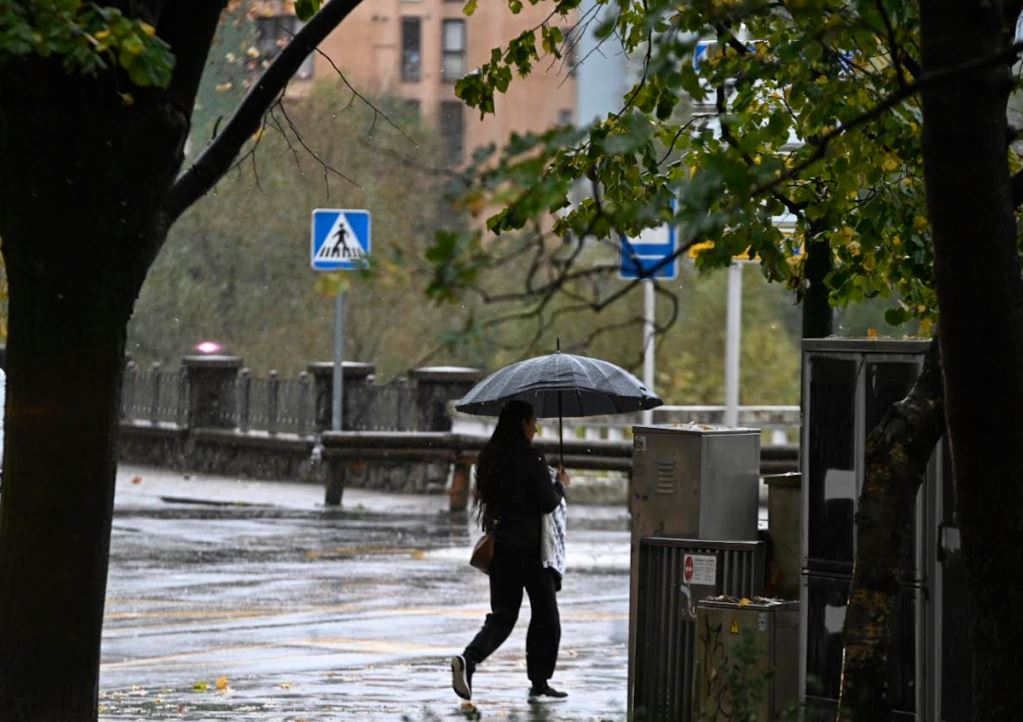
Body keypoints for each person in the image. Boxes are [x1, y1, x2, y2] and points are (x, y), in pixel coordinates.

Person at [451, 399, 571, 702]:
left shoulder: (489, 456)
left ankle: (469, 659)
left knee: (503, 616)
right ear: (521, 423)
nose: (535, 428)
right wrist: (560, 485)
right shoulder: (531, 457)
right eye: (533, 422)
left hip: (502, 547)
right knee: (546, 617)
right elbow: (547, 502)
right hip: (532, 551)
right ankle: (539, 681)